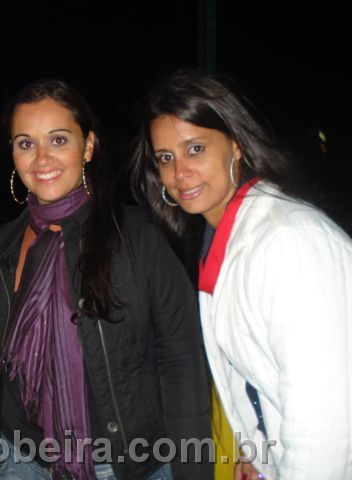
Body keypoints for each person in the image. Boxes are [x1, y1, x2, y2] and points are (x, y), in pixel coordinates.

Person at [0, 79, 212, 480]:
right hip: (20, 463)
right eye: (26, 143)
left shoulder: (139, 237)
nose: (42, 158)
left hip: (125, 466)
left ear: (88, 146)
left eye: (58, 140)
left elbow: (181, 361)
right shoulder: (1, 247)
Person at [130, 69, 352, 480]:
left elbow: (324, 422)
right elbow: (261, 377)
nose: (179, 173)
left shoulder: (289, 241)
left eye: (195, 149)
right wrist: (259, 452)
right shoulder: (226, 239)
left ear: (236, 144)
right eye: (165, 158)